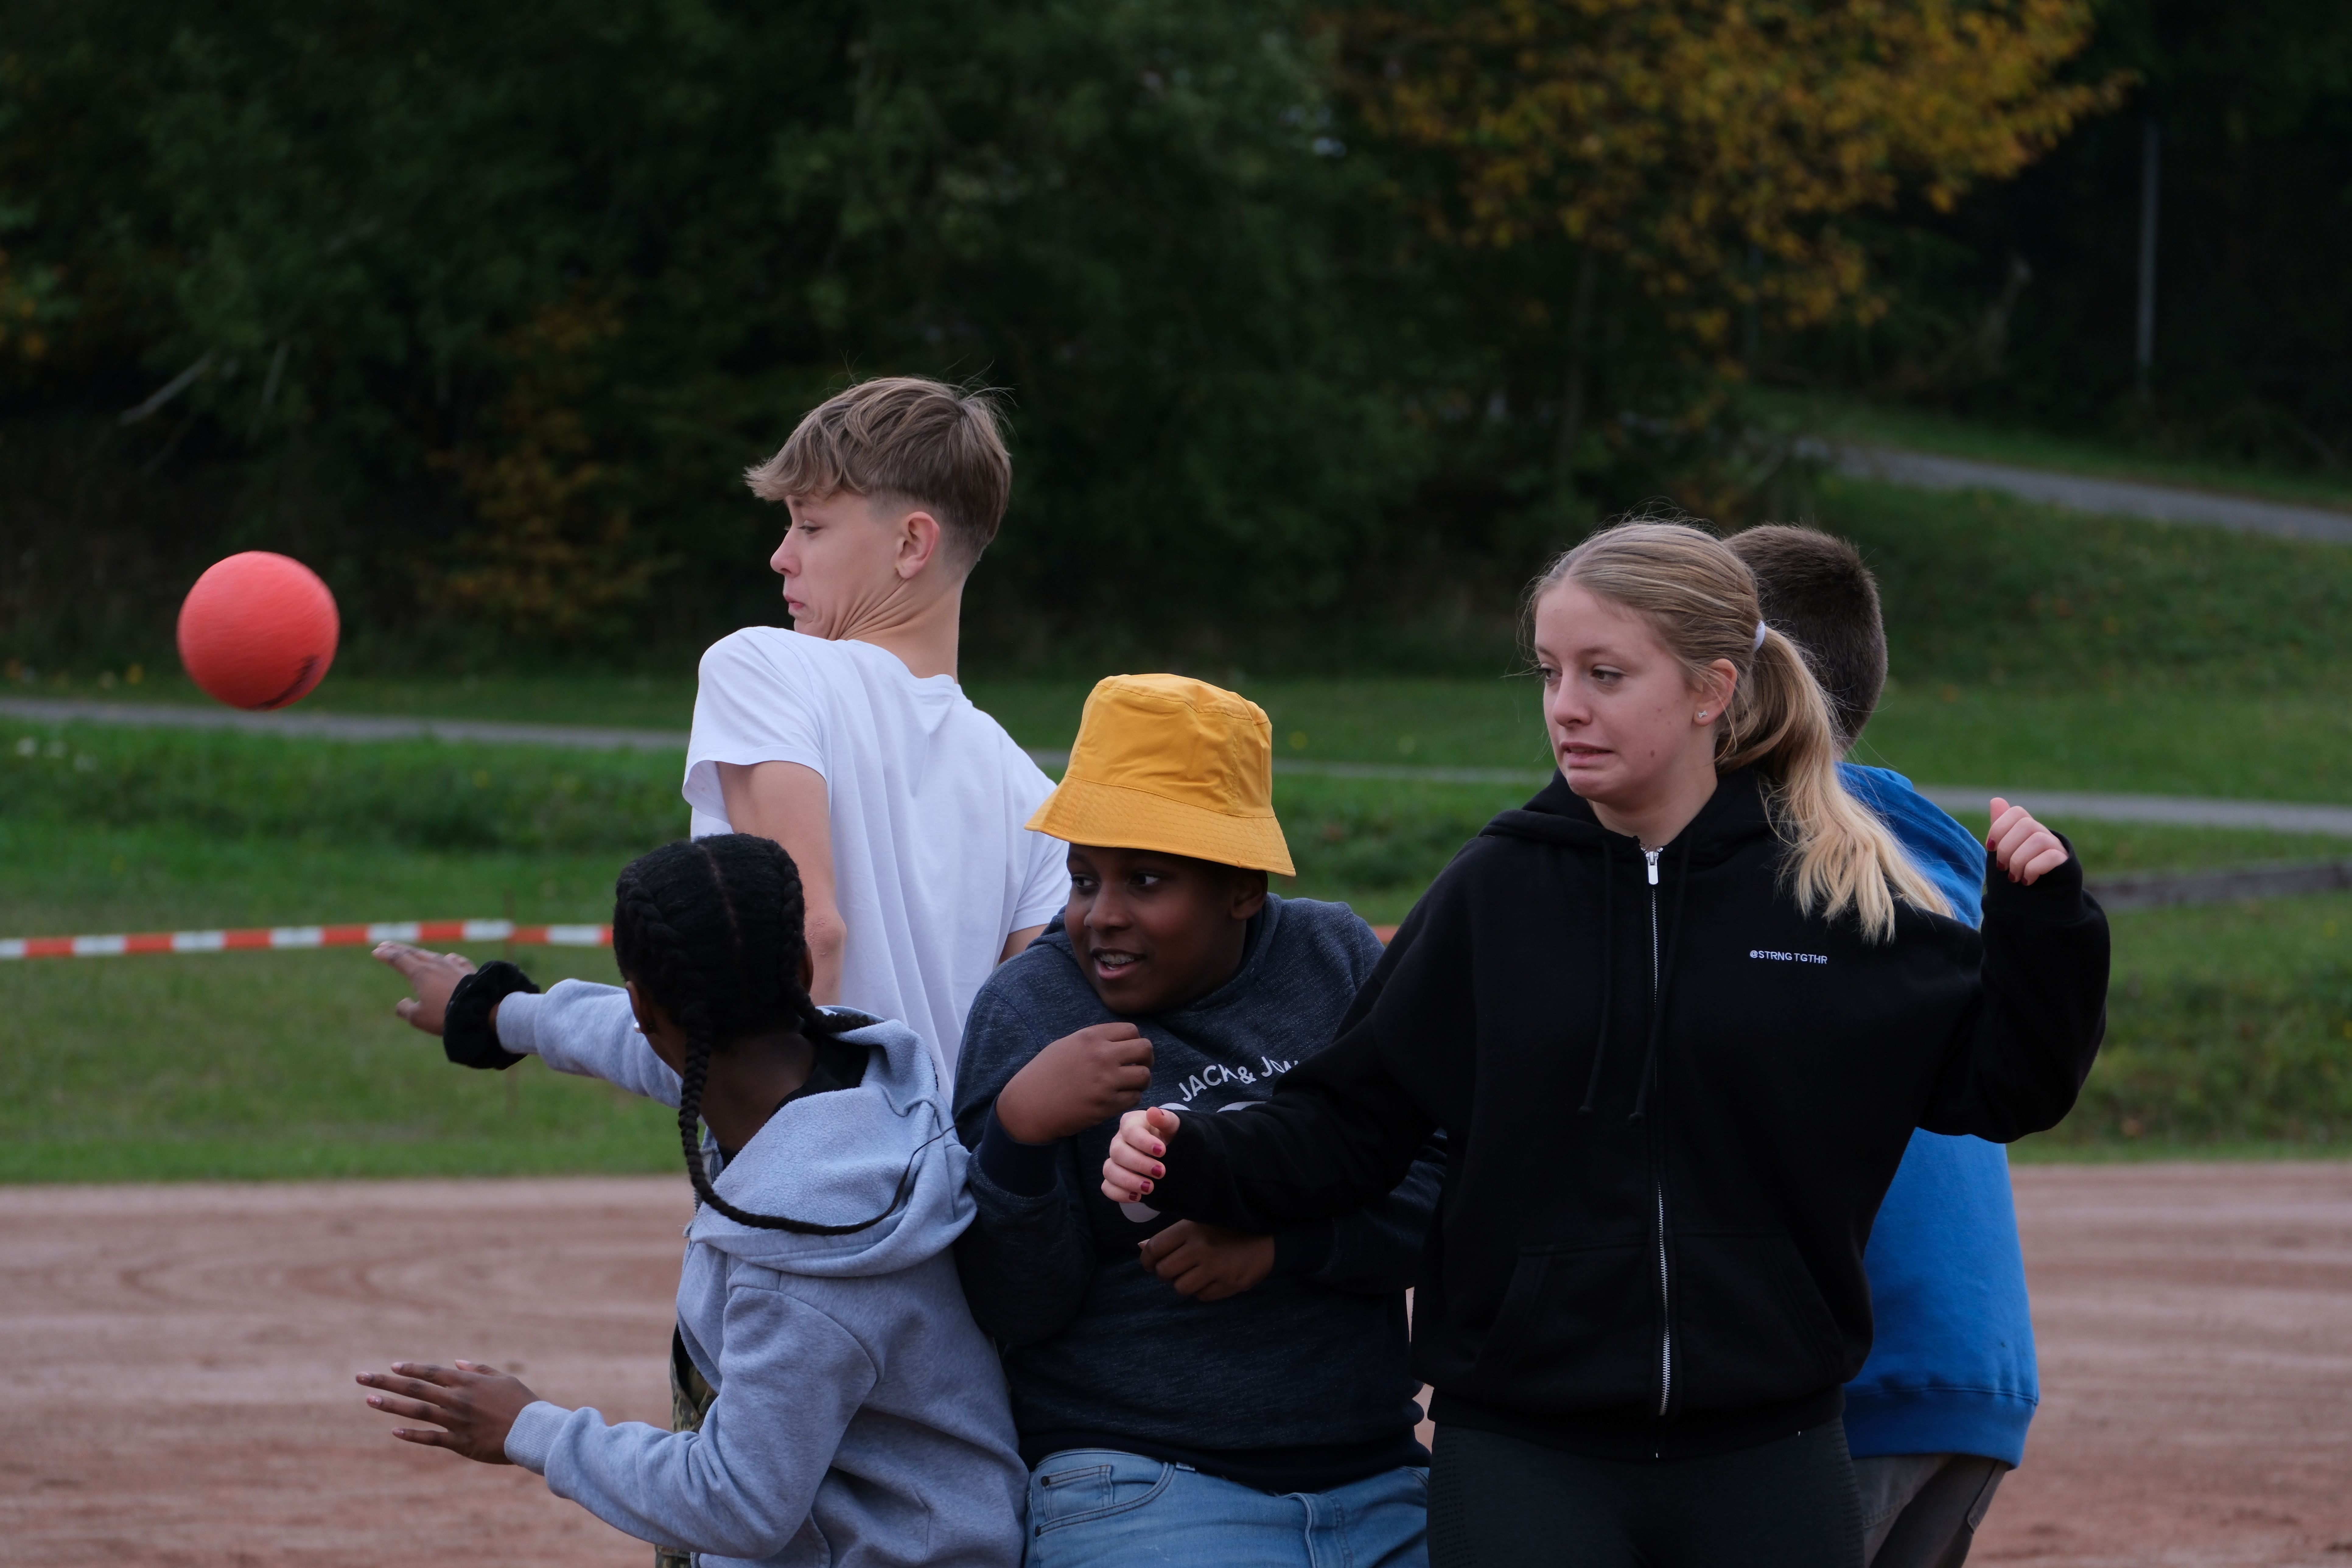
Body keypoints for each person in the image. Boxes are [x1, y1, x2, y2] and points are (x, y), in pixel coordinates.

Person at [1101, 520, 2111, 1568]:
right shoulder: (1494, 890)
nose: (1565, 707)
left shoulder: (1833, 892)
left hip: (1773, 1452)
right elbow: (1350, 1126)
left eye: (1604, 674)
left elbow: (2005, 1088)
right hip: (1524, 1457)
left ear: (1711, 690)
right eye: (1550, 673)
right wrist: (1194, 1153)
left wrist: (2046, 925)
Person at [362, 835, 1026, 1568]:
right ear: (803, 971)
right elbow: (629, 1039)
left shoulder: (805, 1259)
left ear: (645, 1005)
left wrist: (528, 1427)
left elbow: (738, 1499)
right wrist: (493, 1012)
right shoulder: (850, 1083)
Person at [951, 674, 1440, 1568]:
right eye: (1083, 879)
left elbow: (1442, 1199)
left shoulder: (1333, 958)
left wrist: (1284, 1247)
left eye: (1146, 880)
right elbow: (1015, 1308)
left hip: (1376, 1474)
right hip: (1138, 1481)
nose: (1102, 916)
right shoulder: (1028, 1011)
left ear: (1243, 887)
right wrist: (1018, 1138)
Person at [1730, 525, 2034, 1568]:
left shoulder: (1771, 855)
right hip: (1972, 1370)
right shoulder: (1920, 857)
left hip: (1851, 1377)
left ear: (1731, 682)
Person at [686, 373, 1070, 1080]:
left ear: (912, 544)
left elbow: (805, 938)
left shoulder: (763, 669)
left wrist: (513, 1014)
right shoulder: (1038, 798)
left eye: (810, 525)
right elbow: (1024, 1052)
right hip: (948, 1151)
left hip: (801, 1140)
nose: (781, 555)